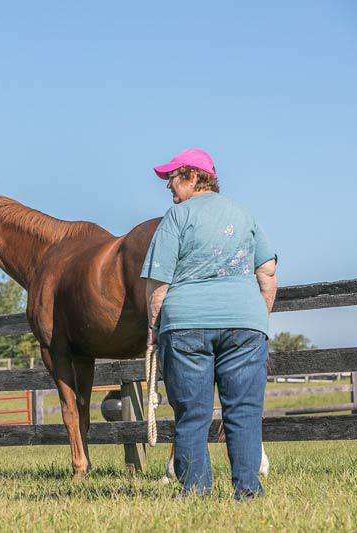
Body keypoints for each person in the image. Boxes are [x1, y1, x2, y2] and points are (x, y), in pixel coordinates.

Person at [141, 148, 278, 499]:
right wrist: (258, 319)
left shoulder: (176, 218)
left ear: (192, 176)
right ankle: (247, 491)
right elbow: (267, 271)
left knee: (191, 414)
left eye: (173, 177)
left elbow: (158, 285)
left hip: (186, 326)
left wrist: (153, 329)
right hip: (245, 326)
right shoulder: (244, 214)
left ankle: (196, 493)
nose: (169, 185)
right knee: (244, 412)